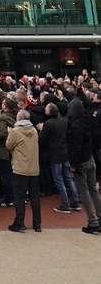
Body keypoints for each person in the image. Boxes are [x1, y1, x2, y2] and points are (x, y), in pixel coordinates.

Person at [67, 98, 101, 233]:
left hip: (81, 162)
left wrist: (73, 164)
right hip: (90, 158)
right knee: (93, 190)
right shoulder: (87, 120)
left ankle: (93, 222)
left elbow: (76, 147)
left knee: (84, 192)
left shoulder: (75, 125)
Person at [40, 102, 80, 214]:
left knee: (59, 180)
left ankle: (65, 204)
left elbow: (42, 140)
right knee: (68, 178)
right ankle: (76, 201)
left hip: (55, 155)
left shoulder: (49, 123)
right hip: (65, 152)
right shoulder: (64, 120)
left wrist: (41, 129)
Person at [6, 110, 41, 233]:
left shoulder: (15, 131)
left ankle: (19, 223)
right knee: (35, 197)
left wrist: (9, 133)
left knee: (19, 197)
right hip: (34, 168)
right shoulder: (34, 131)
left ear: (19, 118)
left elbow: (8, 146)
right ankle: (37, 224)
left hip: (20, 168)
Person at [0, 98, 17, 208]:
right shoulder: (9, 116)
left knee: (6, 175)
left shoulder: (5, 119)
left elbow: (4, 132)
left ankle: (9, 198)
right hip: (3, 150)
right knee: (4, 174)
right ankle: (6, 194)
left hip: (1, 150)